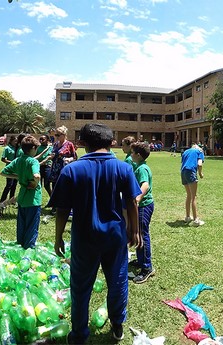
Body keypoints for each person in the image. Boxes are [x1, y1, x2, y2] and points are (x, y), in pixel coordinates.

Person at [48, 123, 141, 344]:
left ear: (81, 143)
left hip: (84, 237)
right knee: (117, 281)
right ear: (111, 143)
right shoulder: (123, 168)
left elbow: (62, 209)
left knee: (80, 287)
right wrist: (134, 230)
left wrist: (58, 236)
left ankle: (79, 334)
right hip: (115, 237)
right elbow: (131, 202)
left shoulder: (71, 169)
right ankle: (117, 324)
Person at [0, 135, 42, 249]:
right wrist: (34, 182)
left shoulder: (18, 160)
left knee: (22, 224)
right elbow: (36, 175)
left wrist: (18, 177)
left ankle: (20, 246)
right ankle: (29, 249)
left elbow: (3, 172)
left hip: (22, 198)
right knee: (32, 226)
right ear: (33, 148)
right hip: (33, 199)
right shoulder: (33, 161)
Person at [129, 141, 154, 283]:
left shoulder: (141, 169)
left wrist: (138, 198)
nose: (130, 155)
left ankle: (147, 268)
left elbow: (145, 184)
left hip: (144, 206)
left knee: (142, 235)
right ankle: (140, 260)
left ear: (138, 155)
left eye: (132, 152)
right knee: (137, 233)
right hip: (141, 206)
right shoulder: (139, 166)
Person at [180, 144, 205, 226]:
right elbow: (200, 164)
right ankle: (196, 220)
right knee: (194, 196)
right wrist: (200, 174)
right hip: (190, 172)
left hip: (183, 172)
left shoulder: (186, 152)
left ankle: (187, 217)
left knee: (189, 195)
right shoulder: (199, 151)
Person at [0, 135, 19, 204]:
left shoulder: (17, 148)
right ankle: (2, 200)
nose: (16, 142)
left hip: (16, 169)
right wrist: (12, 162)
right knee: (9, 185)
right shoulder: (7, 148)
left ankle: (12, 200)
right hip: (10, 169)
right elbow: (3, 159)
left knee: (14, 185)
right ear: (11, 141)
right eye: (15, 141)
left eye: (17, 141)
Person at [33, 134, 54, 198]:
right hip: (39, 167)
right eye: (40, 139)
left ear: (47, 140)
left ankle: (52, 199)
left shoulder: (51, 148)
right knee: (38, 184)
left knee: (47, 184)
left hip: (47, 167)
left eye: (43, 139)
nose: (41, 140)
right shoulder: (38, 148)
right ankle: (37, 199)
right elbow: (34, 157)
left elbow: (52, 156)